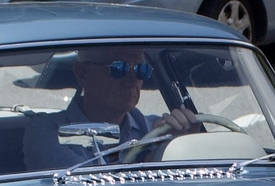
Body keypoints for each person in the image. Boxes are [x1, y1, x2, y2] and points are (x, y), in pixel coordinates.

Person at [20, 47, 202, 170]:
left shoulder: (159, 130)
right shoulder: (46, 131)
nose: (131, 80)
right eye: (118, 68)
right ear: (82, 73)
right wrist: (155, 158)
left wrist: (185, 146)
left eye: (141, 69)